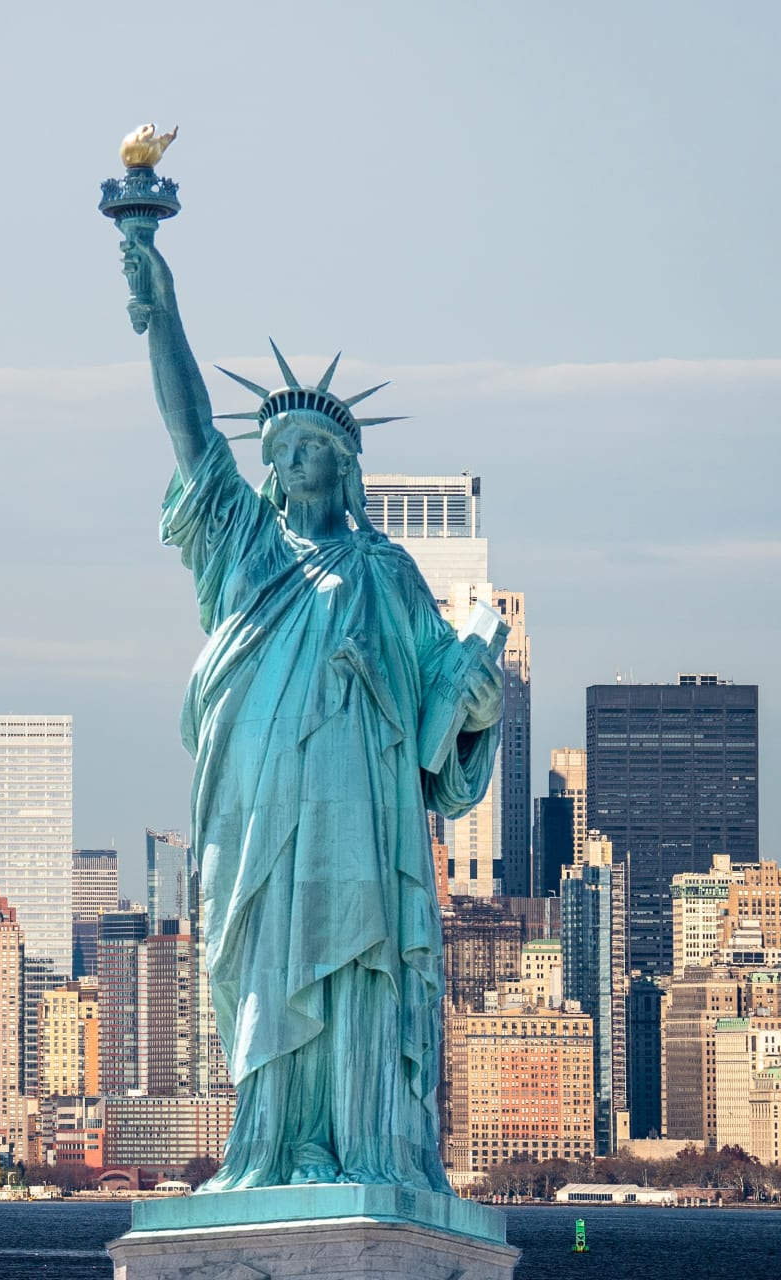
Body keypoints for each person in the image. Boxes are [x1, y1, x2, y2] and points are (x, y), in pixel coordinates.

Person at [120, 222, 503, 1192]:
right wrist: (158, 300)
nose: (289, 463)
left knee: (356, 966)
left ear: (342, 465)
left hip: (363, 815)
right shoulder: (243, 545)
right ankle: (277, 1145)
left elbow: (440, 735)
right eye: (279, 449)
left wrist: (476, 700)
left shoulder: (387, 573)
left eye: (307, 450)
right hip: (265, 802)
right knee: (268, 963)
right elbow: (191, 428)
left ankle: (361, 1144)